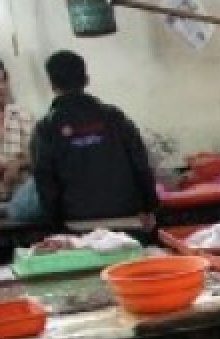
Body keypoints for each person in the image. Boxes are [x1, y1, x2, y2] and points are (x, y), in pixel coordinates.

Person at [30, 51, 157, 230]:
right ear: (86, 79)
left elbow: (46, 183)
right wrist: (150, 207)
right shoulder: (115, 118)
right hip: (128, 221)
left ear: (52, 84)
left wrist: (56, 227)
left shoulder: (45, 128)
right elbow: (141, 166)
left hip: (77, 226)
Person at [0, 60, 34, 202]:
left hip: (19, 200)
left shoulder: (23, 115)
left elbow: (40, 157)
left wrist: (19, 163)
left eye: (2, 81)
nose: (0, 88)